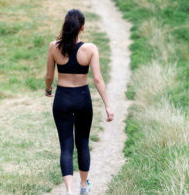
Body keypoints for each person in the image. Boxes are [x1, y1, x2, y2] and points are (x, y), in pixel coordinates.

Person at [44, 8, 114, 195]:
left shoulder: (54, 47)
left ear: (66, 25)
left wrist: (48, 89)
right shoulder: (90, 49)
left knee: (66, 145)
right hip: (82, 99)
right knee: (82, 143)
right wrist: (107, 105)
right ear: (82, 27)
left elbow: (49, 76)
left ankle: (68, 190)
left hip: (62, 99)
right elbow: (98, 79)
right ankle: (84, 186)